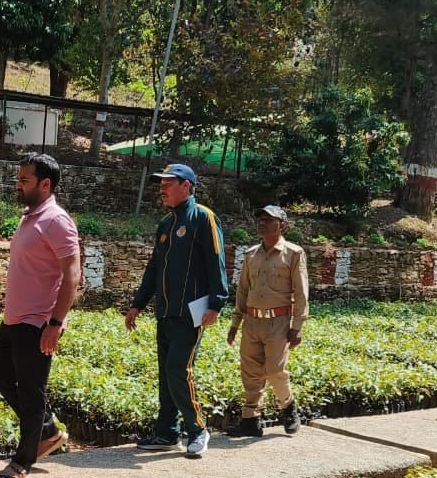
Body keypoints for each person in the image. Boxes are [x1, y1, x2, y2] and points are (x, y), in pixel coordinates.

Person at [0, 152, 82, 478]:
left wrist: (55, 324)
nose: (18, 184)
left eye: (24, 180)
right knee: (1, 377)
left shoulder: (56, 221)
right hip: (14, 317)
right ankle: (46, 430)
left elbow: (72, 276)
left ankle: (23, 460)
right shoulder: (30, 217)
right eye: (19, 179)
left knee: (31, 391)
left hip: (38, 321)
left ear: (45, 184)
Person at [124, 163, 228, 459]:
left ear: (186, 186)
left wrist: (216, 302)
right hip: (165, 312)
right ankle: (167, 434)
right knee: (165, 374)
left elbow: (216, 260)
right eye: (160, 184)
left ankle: (198, 430)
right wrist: (138, 304)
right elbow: (154, 269)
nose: (162, 189)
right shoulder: (165, 225)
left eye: (168, 183)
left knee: (177, 370)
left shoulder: (203, 218)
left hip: (191, 312)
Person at [226, 204, 308, 437]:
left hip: (278, 322)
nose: (262, 223)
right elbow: (243, 291)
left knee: (275, 370)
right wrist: (235, 324)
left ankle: (288, 407)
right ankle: (250, 420)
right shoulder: (251, 254)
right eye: (260, 219)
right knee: (250, 372)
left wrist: (297, 327)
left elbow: (301, 293)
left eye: (268, 219)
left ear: (282, 225)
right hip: (252, 321)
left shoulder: (293, 253)